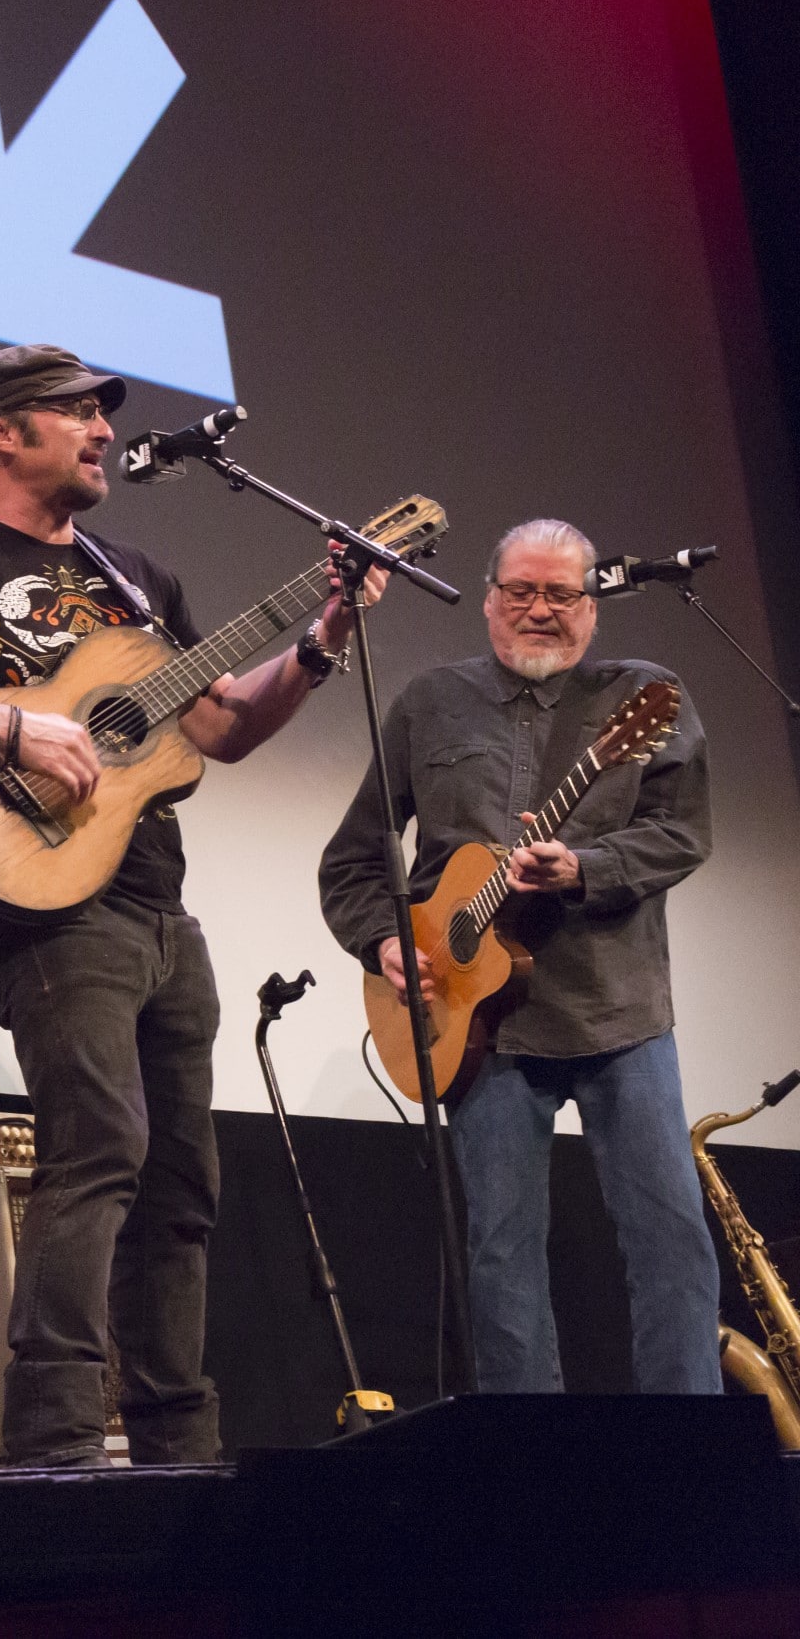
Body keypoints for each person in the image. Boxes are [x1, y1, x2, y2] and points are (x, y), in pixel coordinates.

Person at [0, 344, 376, 1466]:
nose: (105, 430)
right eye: (75, 413)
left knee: (182, 1185)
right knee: (99, 1149)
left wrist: (321, 640)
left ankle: (175, 1441)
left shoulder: (133, 577)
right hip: (51, 909)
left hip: (160, 905)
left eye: (103, 415)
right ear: (1, 433)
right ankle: (56, 1436)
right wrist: (3, 725)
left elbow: (218, 730)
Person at [319, 518, 717, 1394]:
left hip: (619, 1010)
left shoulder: (644, 695)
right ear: (491, 601)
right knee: (500, 1256)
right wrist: (384, 941)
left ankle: (689, 1456)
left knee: (669, 1235)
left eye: (562, 594)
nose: (541, 610)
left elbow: (683, 833)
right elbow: (353, 860)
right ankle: (529, 1469)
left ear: (592, 605)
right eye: (521, 592)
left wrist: (586, 865)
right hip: (477, 1029)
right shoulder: (430, 701)